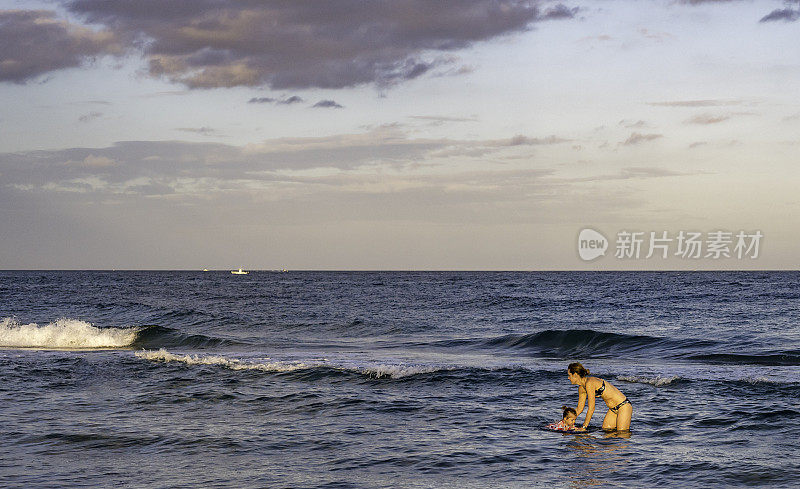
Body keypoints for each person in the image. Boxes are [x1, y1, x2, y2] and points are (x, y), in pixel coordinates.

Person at [567, 362, 631, 431]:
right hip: (613, 409)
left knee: (622, 434)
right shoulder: (581, 388)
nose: (568, 378)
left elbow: (591, 408)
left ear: (575, 375)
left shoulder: (590, 383)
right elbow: (579, 408)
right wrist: (565, 421)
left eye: (569, 375)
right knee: (606, 432)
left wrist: (584, 427)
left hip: (623, 406)